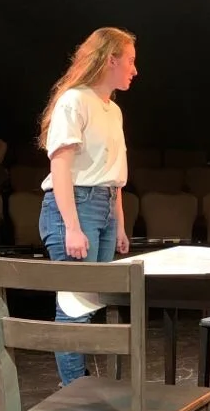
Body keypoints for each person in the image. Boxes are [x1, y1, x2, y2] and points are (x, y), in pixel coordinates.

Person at [38, 27, 137, 385]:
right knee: (74, 309)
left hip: (105, 208)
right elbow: (60, 165)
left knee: (91, 304)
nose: (134, 70)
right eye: (130, 61)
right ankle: (73, 391)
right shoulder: (74, 100)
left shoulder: (114, 110)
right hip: (75, 207)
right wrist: (73, 227)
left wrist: (120, 223)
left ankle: (85, 388)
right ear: (110, 60)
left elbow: (112, 175)